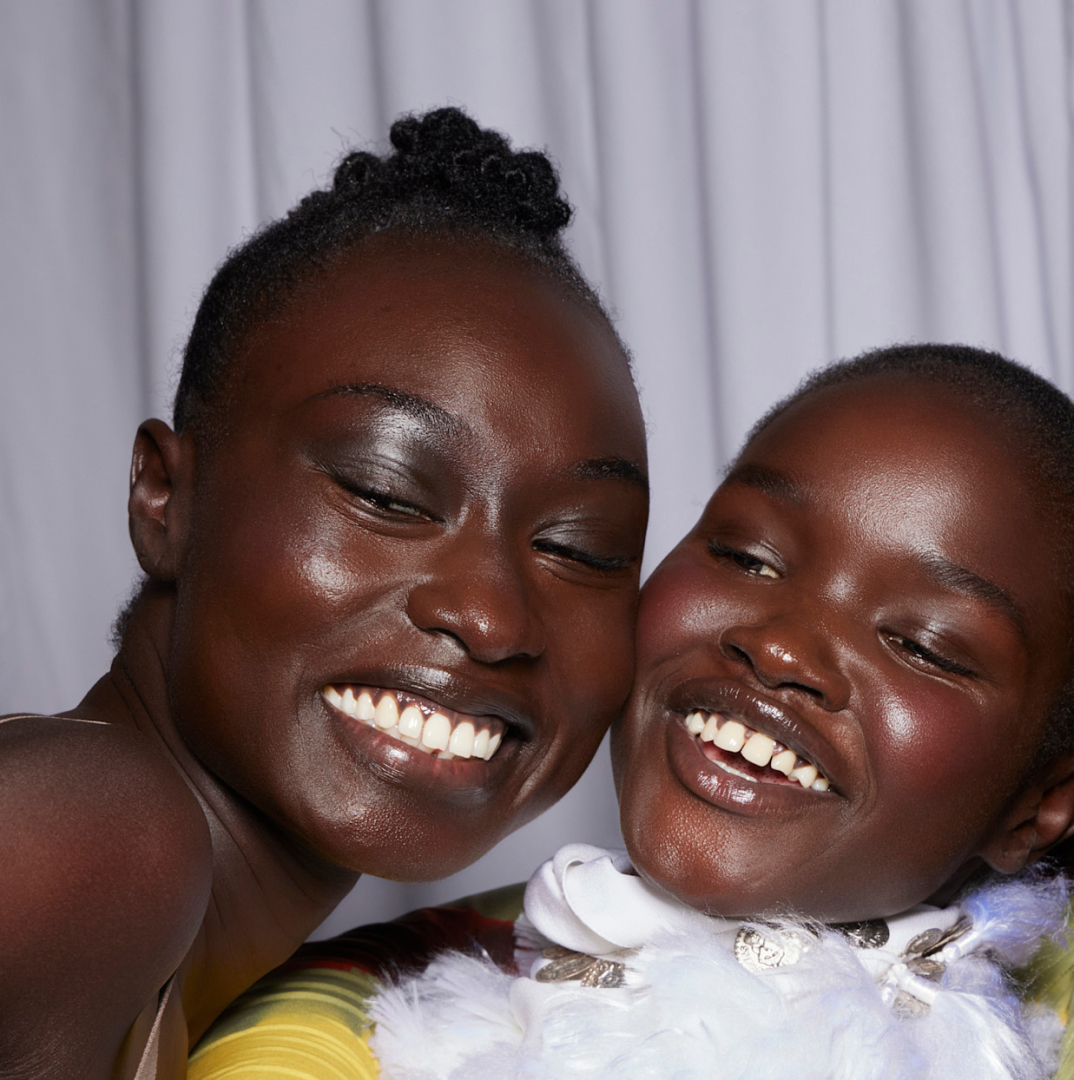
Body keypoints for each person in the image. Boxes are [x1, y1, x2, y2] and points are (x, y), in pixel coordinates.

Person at [188, 345, 1074, 1080]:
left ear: (1041, 806)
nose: (779, 649)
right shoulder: (347, 1019)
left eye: (921, 644)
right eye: (746, 554)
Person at [0, 108, 650, 1080]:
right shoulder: (90, 830)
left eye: (580, 549)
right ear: (165, 498)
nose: (493, 616)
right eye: (386, 493)